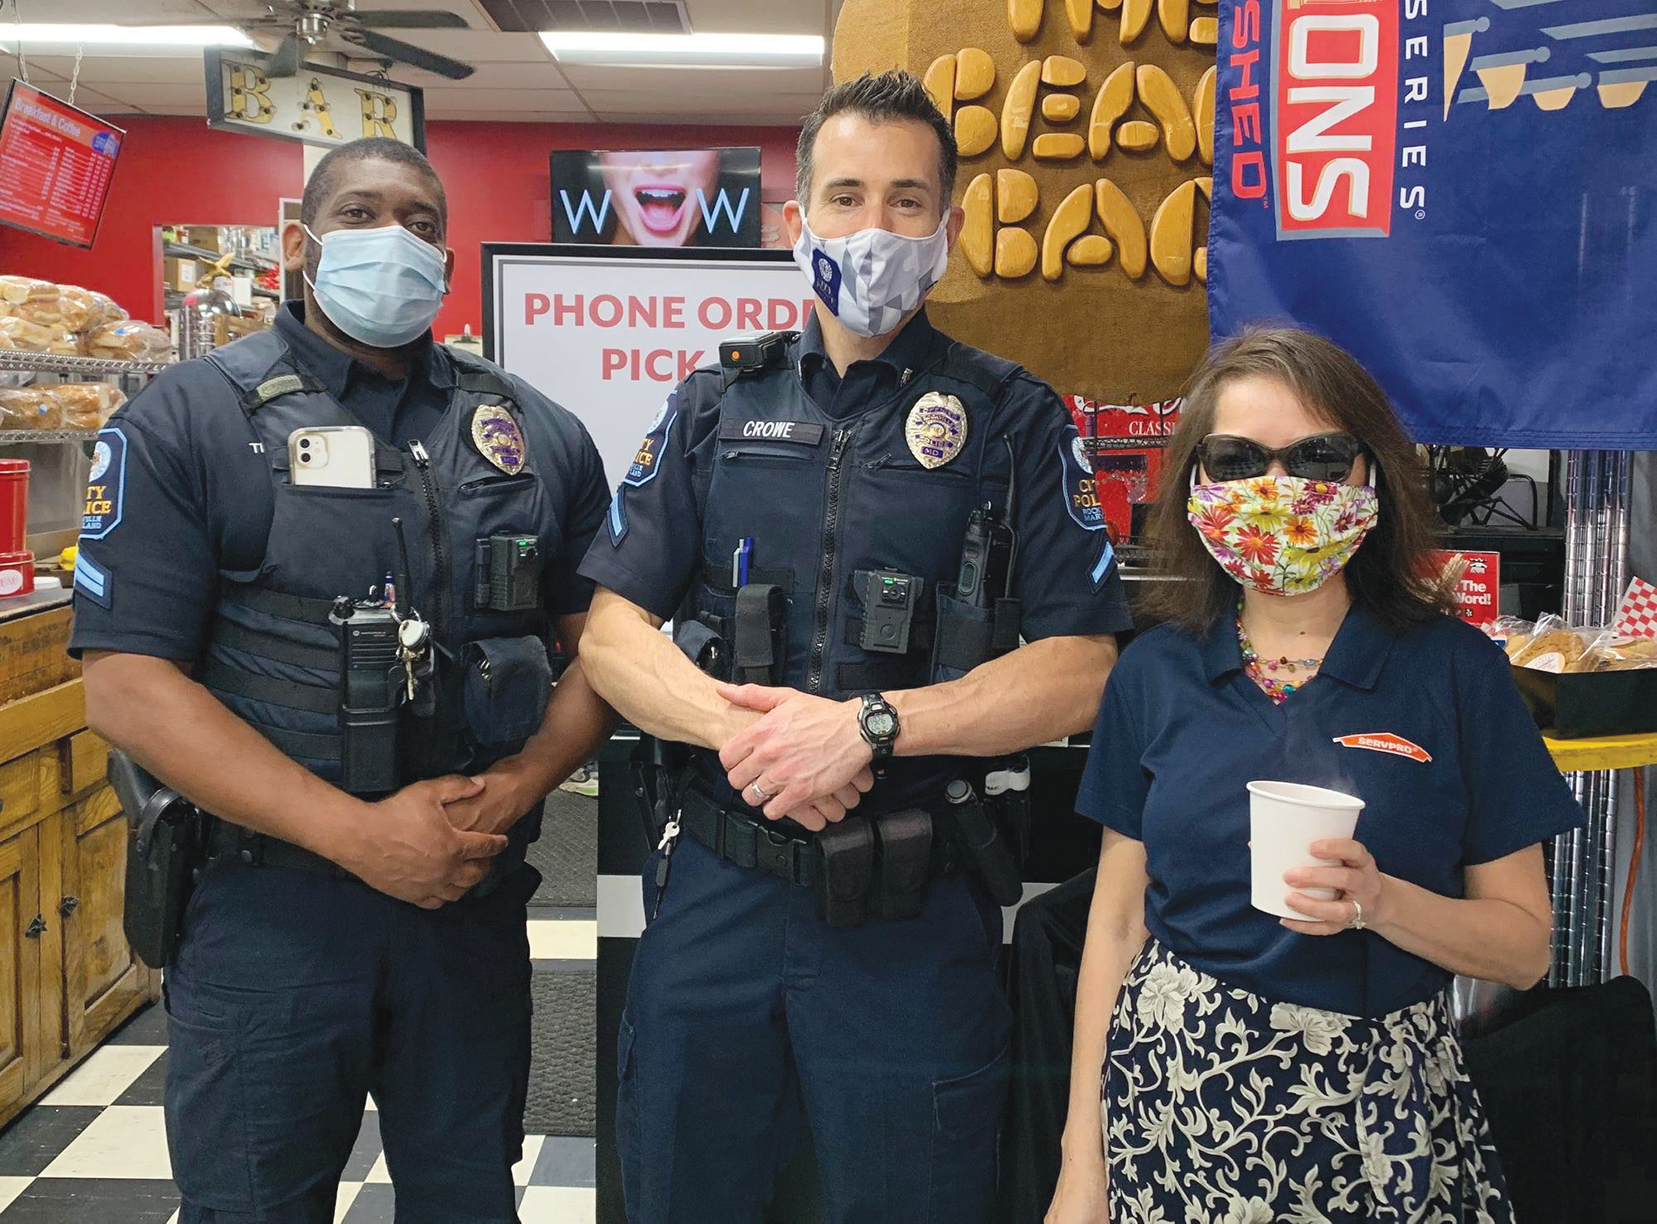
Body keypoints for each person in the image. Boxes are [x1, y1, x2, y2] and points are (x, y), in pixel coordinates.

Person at [577, 71, 1134, 1223]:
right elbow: (611, 632)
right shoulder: (715, 404)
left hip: (910, 910)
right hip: (719, 889)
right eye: (845, 196)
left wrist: (870, 728)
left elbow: (1083, 663)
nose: (872, 228)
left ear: (948, 227)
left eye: (904, 200)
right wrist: (754, 736)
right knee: (683, 1190)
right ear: (797, 220)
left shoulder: (1013, 418)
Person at [72, 137, 615, 1223]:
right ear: (297, 244)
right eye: (361, 214)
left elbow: (608, 648)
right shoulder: (190, 419)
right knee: (256, 1202)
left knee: (467, 1198)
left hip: (465, 901)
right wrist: (359, 837)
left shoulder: (532, 433)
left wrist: (520, 786)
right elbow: (126, 684)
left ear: (447, 263)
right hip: (269, 911)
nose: (393, 240)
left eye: (421, 224)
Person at [1046, 328, 1585, 1224]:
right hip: (1169, 1118)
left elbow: (1524, 952)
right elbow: (1114, 926)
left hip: (1380, 1127)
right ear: (1194, 483)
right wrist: (1080, 1167)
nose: (1276, 488)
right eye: (1236, 459)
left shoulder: (1455, 673)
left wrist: (1381, 902)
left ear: (1371, 475)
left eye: (1316, 458)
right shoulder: (1153, 674)